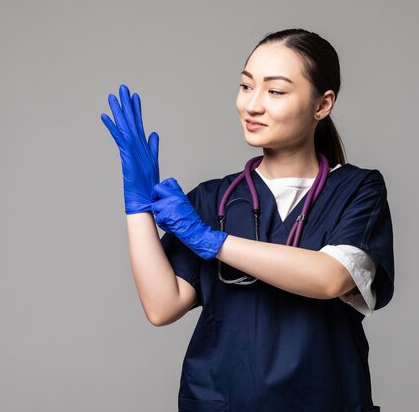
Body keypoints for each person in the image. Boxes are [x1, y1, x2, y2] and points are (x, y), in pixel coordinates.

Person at [101, 28, 394, 412]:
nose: (252, 105)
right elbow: (162, 305)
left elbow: (330, 277)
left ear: (322, 104)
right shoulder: (213, 200)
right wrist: (138, 207)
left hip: (325, 399)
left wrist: (213, 241)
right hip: (224, 400)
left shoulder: (357, 189)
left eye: (275, 91)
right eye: (245, 86)